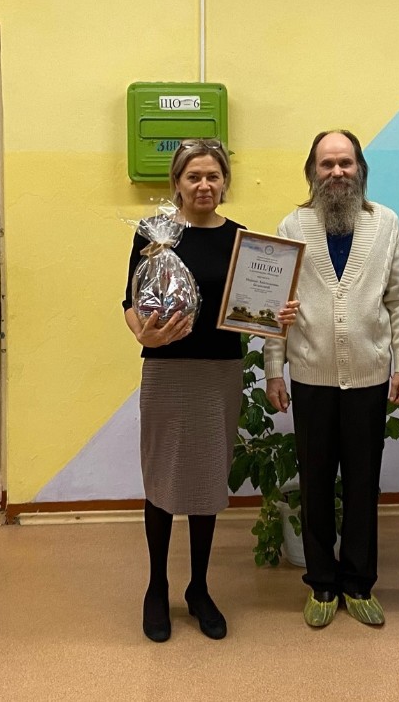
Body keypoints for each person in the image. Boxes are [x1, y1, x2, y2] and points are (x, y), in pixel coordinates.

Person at [123, 139, 297, 643]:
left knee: (206, 478)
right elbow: (128, 301)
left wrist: (279, 313)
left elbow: (257, 308)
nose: (204, 185)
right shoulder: (154, 234)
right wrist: (143, 334)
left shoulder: (243, 242)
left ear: (225, 182)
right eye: (194, 176)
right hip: (166, 371)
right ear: (177, 183)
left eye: (213, 176)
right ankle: (157, 587)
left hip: (220, 372)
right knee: (161, 477)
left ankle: (198, 587)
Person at [265, 129, 399, 629]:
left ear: (360, 169)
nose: (336, 172)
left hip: (370, 376)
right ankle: (322, 583)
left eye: (345, 163)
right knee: (314, 482)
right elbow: (276, 308)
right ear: (313, 171)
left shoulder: (385, 224)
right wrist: (274, 370)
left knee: (362, 482)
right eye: (327, 164)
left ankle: (358, 582)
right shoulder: (292, 225)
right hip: (311, 375)